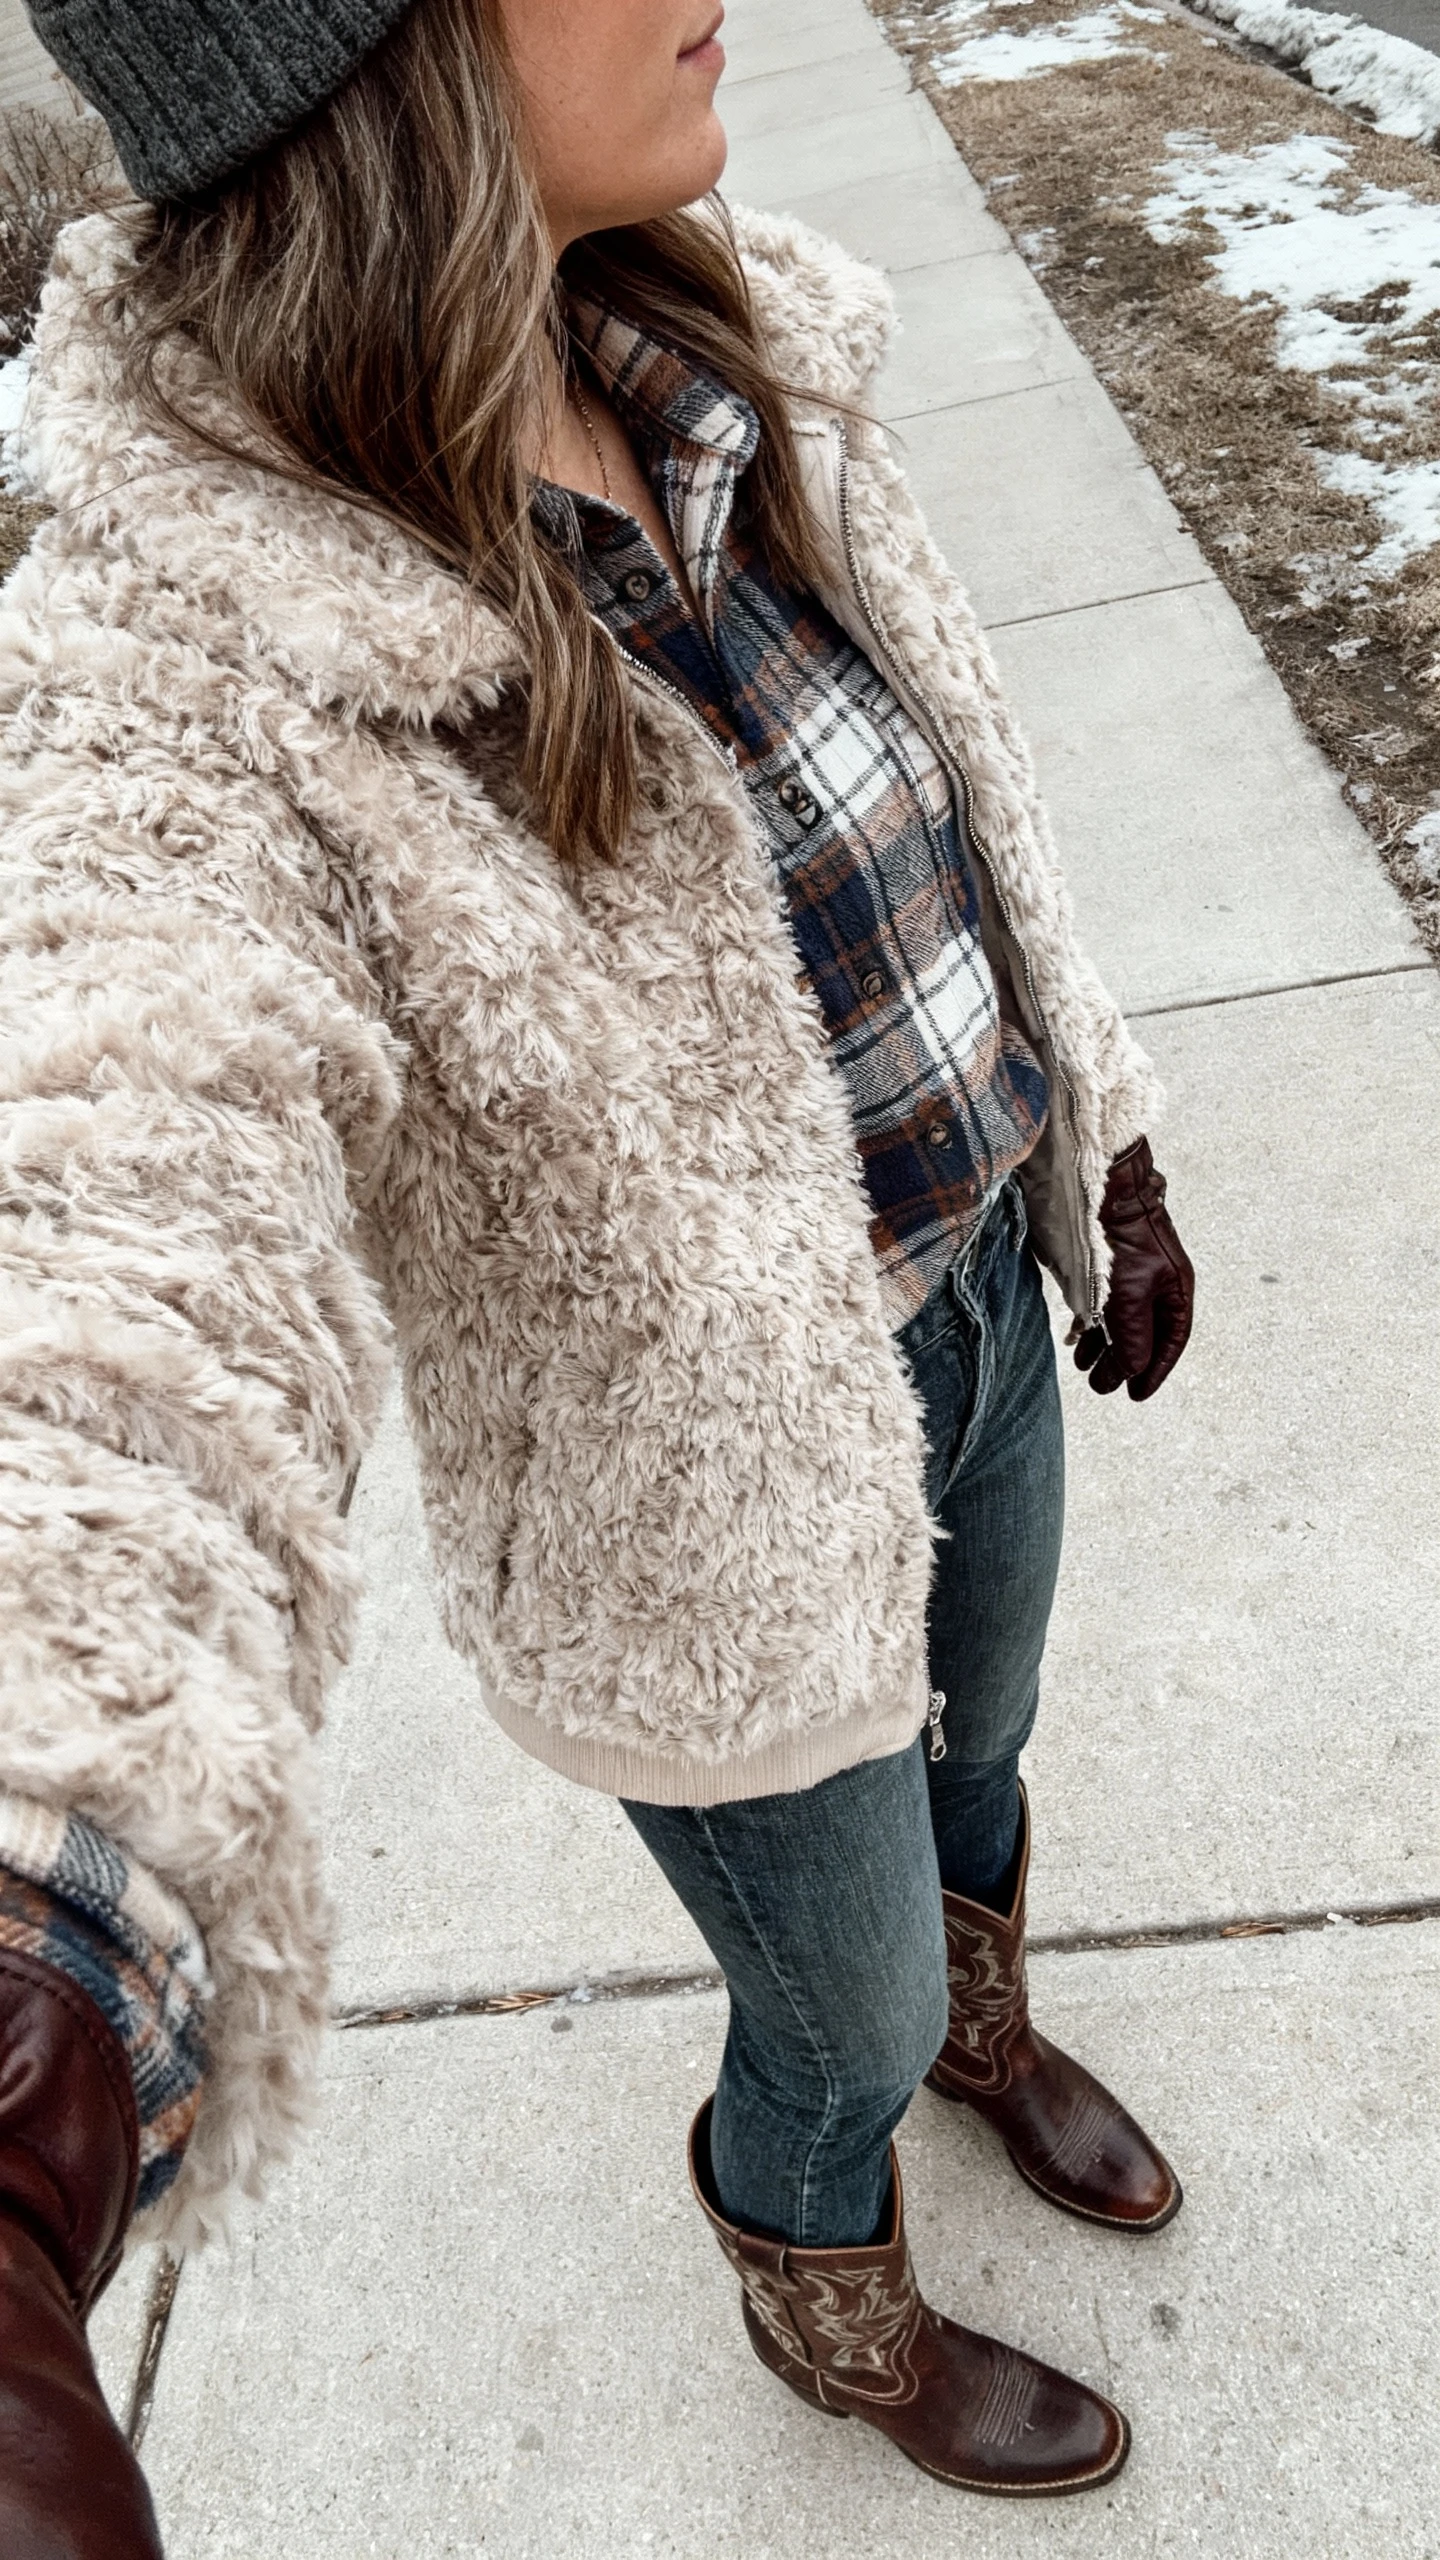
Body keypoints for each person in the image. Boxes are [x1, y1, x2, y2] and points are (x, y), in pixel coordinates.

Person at [0, 0, 1195, 2543]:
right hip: (709, 1523)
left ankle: (985, 2041)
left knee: (983, 1765)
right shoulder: (192, 661)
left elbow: (960, 783)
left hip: (985, 1308)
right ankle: (818, 2237)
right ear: (362, 67)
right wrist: (42, 1928)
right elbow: (117, 1189)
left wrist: (1114, 1142)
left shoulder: (712, 334)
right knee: (834, 1994)